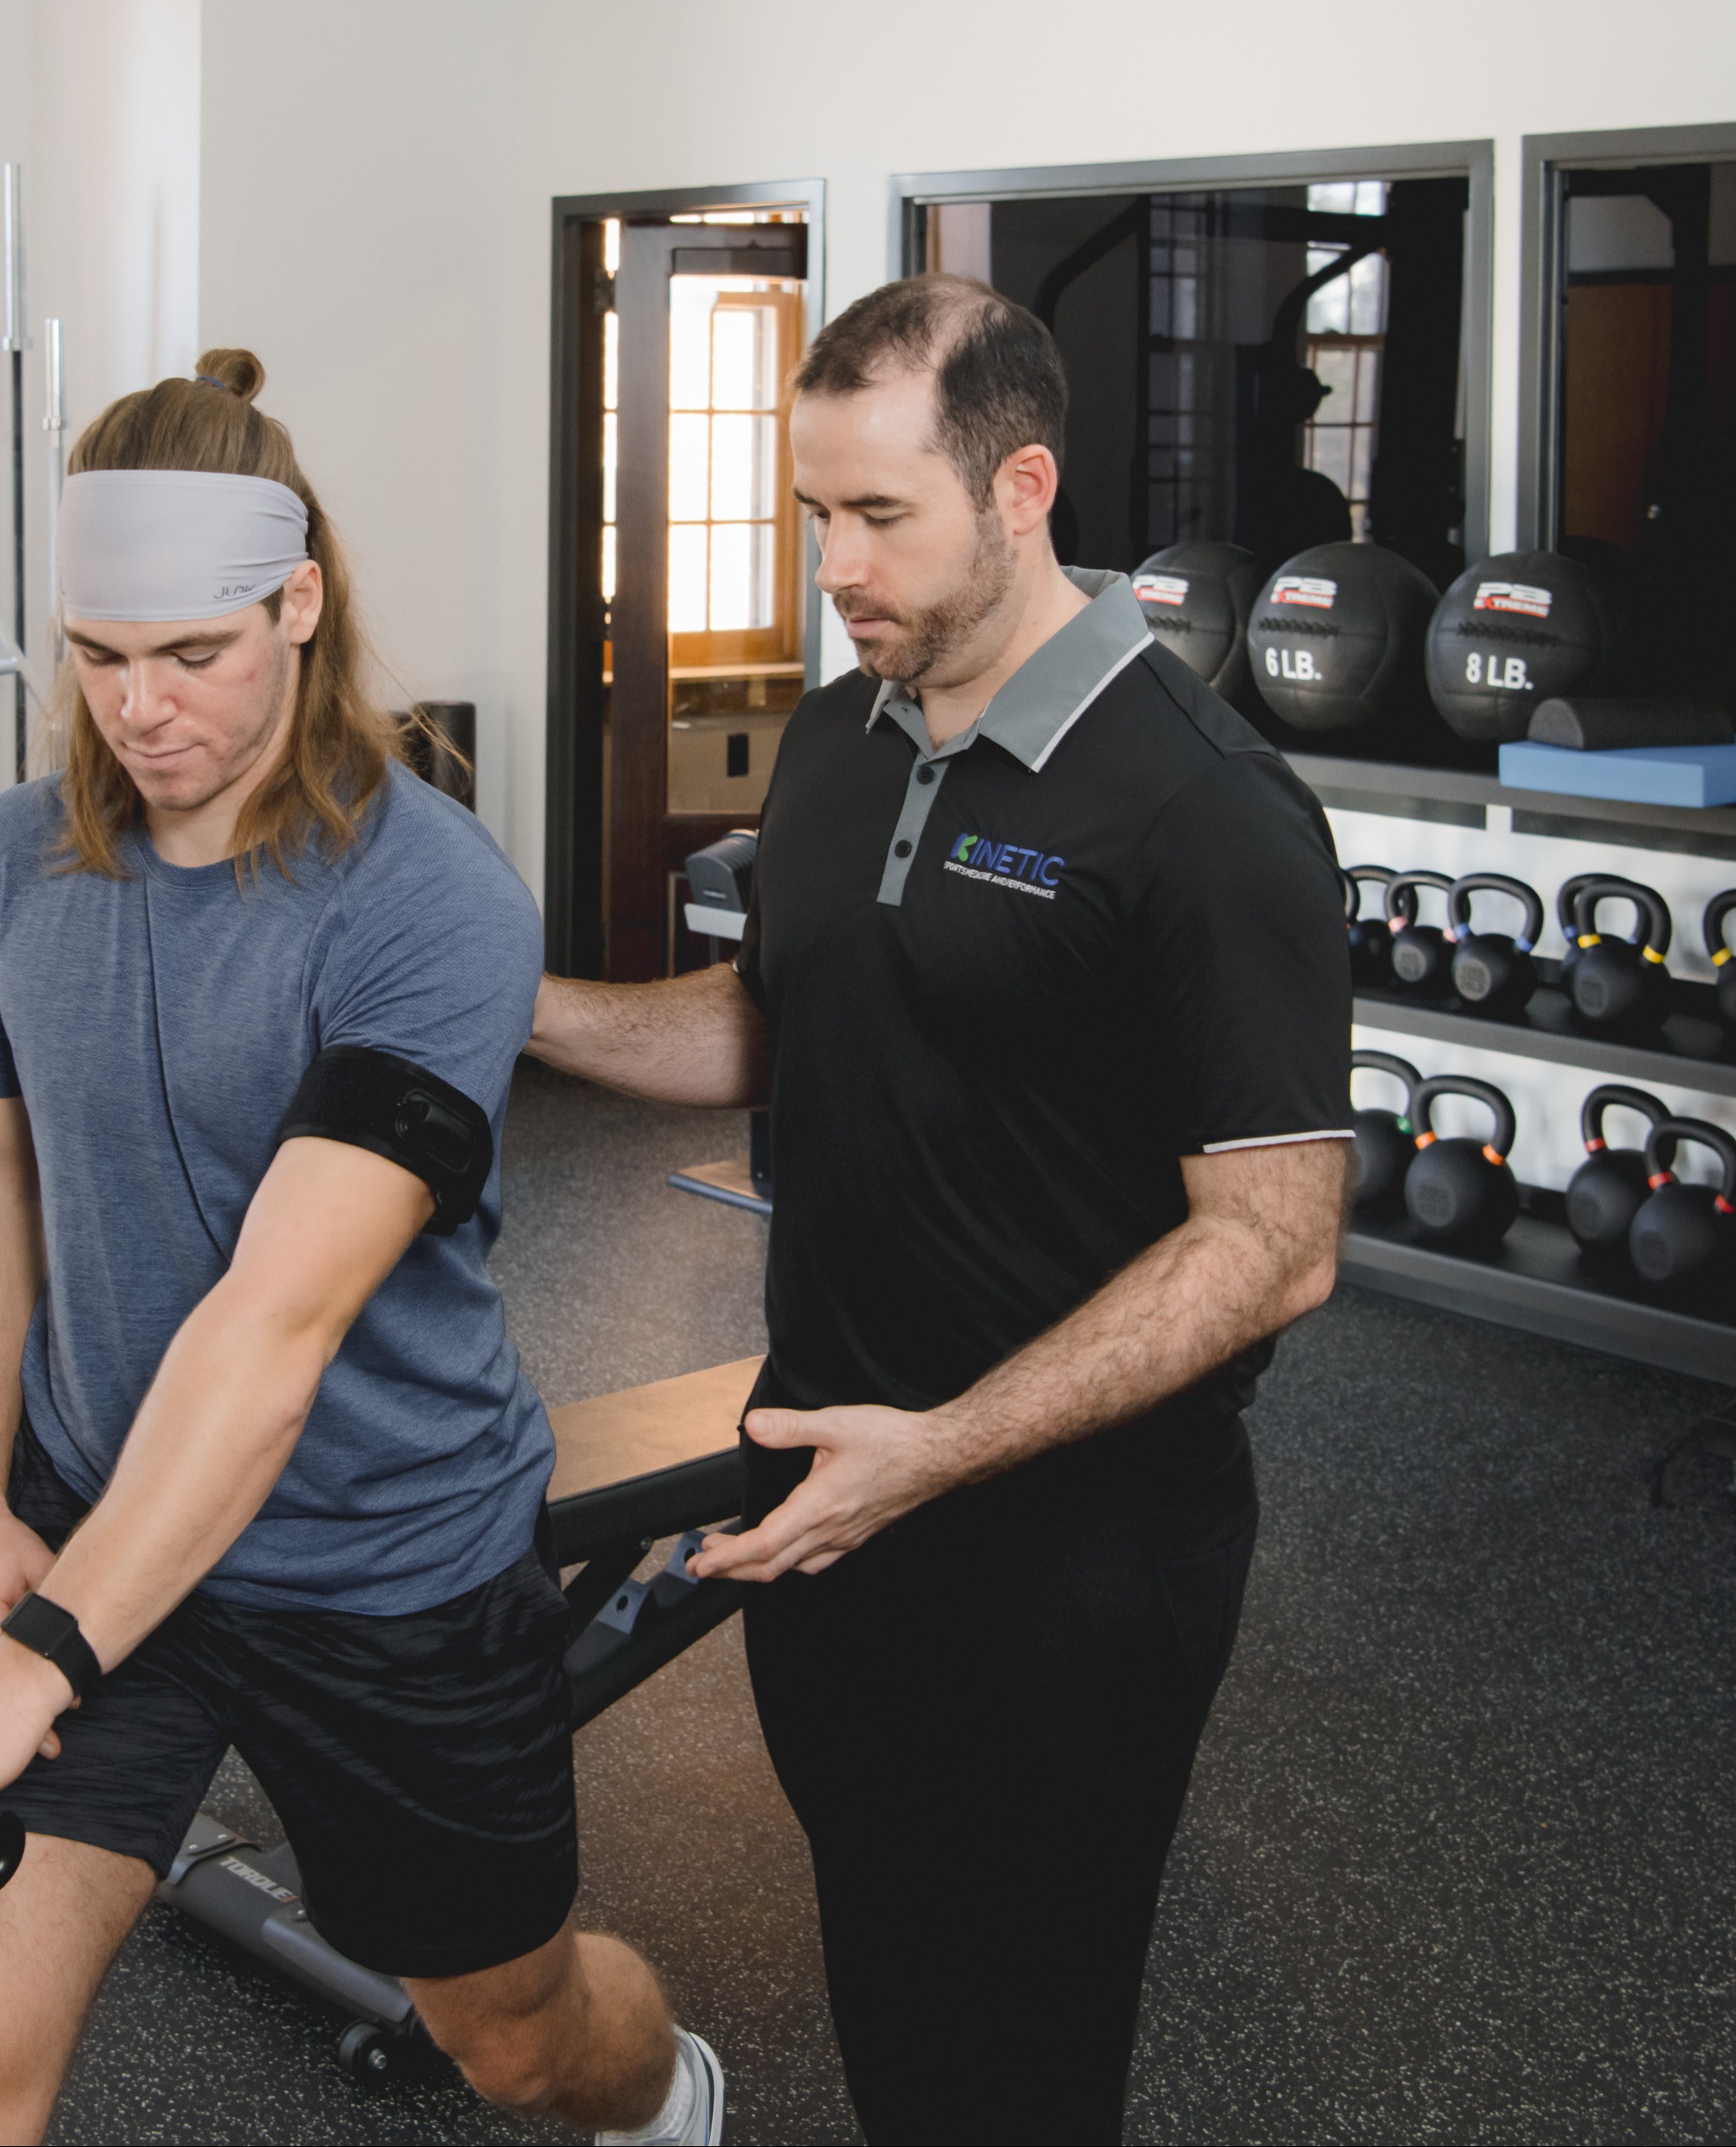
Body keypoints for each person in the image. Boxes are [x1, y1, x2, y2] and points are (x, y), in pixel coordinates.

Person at [0, 351, 722, 2147]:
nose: (137, 707)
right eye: (98, 656)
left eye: (192, 653)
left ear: (299, 602)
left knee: (519, 2043)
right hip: (100, 1528)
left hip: (381, 1561)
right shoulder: (14, 864)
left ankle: (667, 2091)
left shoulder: (428, 901)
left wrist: (39, 1662)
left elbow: (277, 1320)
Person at [530, 275, 1352, 2145]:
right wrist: (515, 1001)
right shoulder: (841, 736)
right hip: (830, 1490)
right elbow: (780, 1021)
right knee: (895, 2003)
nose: (837, 563)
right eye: (814, 511)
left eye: (882, 513)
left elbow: (1275, 1240)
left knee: (1023, 2060)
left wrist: (943, 1446)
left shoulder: (1206, 809)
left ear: (1021, 489)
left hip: (1073, 1553)